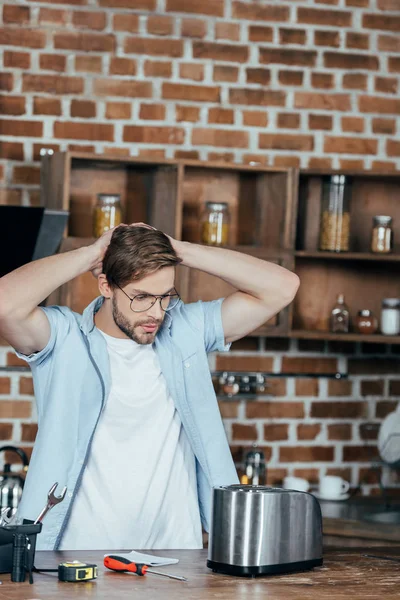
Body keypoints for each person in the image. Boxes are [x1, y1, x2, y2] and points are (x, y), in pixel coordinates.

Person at [0, 223, 299, 551]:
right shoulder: (63, 338)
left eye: (165, 297)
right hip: (78, 557)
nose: (155, 313)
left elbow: (282, 286)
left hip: (177, 558)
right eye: (141, 297)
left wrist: (179, 250)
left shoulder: (186, 330)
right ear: (106, 286)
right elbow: (4, 304)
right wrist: (92, 254)